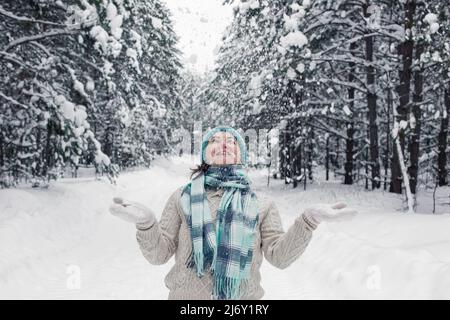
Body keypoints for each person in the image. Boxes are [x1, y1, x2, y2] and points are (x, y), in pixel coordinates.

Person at [109, 126, 357, 300]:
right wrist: (146, 224)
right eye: (214, 141)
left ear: (241, 155)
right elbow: (158, 254)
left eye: (231, 142)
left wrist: (308, 221)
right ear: (205, 154)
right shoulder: (181, 197)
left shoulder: (262, 203)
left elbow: (279, 257)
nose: (223, 144)